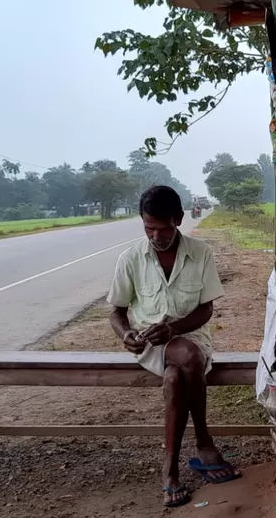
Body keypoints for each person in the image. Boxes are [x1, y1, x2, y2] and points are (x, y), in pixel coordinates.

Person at [108, 185, 240, 507]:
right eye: (148, 228)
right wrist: (125, 335)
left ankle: (170, 469)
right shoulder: (131, 259)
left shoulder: (200, 253)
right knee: (188, 358)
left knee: (175, 376)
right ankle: (204, 442)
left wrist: (175, 328)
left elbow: (206, 310)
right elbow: (117, 312)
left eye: (162, 228)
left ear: (178, 219)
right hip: (149, 343)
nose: (155, 236)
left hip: (191, 334)